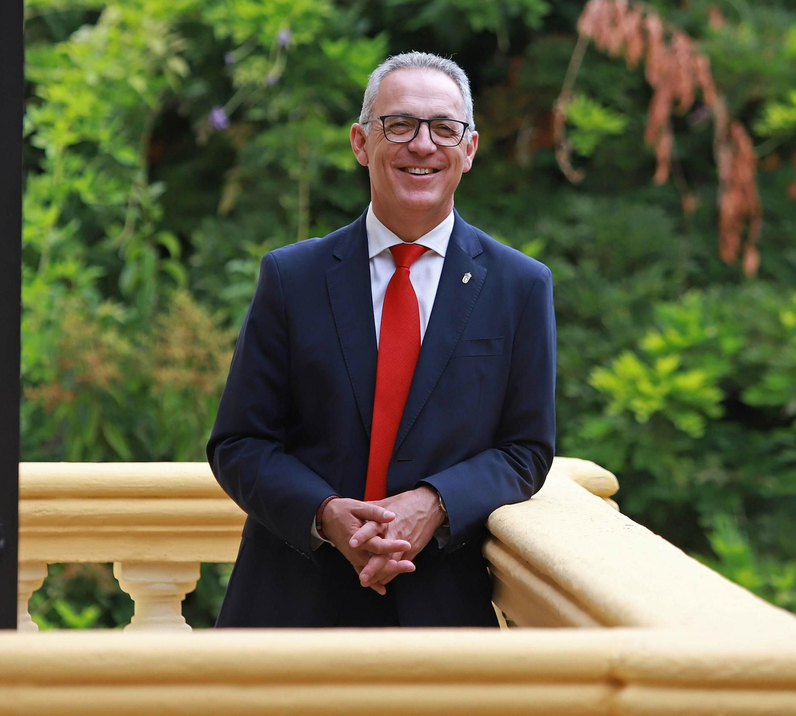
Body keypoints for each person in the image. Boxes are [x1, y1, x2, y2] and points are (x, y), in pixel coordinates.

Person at [208, 52, 557, 627]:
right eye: (400, 125)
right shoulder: (292, 278)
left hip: (439, 607)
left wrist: (436, 503)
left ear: (468, 150)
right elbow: (239, 442)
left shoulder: (520, 286)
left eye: (444, 128)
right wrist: (324, 512)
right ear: (360, 142)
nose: (423, 145)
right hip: (290, 604)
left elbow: (526, 450)